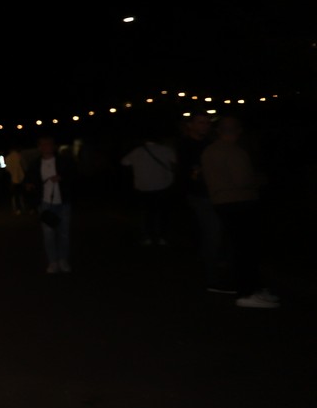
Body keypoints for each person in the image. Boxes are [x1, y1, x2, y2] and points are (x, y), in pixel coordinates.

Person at [200, 115, 279, 309]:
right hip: (239, 201)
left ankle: (250, 288)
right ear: (239, 130)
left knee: (240, 247)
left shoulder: (210, 150)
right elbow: (243, 179)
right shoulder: (234, 151)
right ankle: (247, 291)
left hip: (222, 202)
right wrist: (260, 179)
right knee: (246, 248)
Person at [177, 112, 229, 292]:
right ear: (190, 125)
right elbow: (189, 172)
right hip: (199, 195)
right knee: (211, 232)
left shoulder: (211, 143)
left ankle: (213, 264)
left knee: (216, 231)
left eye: (207, 123)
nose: (205, 126)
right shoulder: (185, 145)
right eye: (200, 122)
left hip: (216, 193)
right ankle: (211, 277)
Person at [119, 128, 177, 245]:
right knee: (162, 212)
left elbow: (124, 162)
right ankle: (161, 236)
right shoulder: (166, 150)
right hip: (163, 185)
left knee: (146, 212)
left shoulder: (137, 151)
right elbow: (174, 163)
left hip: (143, 186)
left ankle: (147, 236)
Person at [32, 134, 78, 273]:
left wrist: (62, 178)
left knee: (64, 233)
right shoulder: (36, 164)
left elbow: (74, 176)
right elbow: (30, 180)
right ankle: (52, 261)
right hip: (46, 203)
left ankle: (63, 260)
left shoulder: (64, 161)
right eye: (43, 144)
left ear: (54, 146)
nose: (47, 146)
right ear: (39, 147)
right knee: (49, 235)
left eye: (49, 143)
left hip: (63, 202)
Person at [6, 145, 27, 213]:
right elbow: (24, 166)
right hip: (20, 178)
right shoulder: (19, 156)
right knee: (20, 194)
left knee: (14, 195)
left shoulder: (8, 157)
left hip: (12, 178)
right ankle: (22, 207)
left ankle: (16, 208)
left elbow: (7, 169)